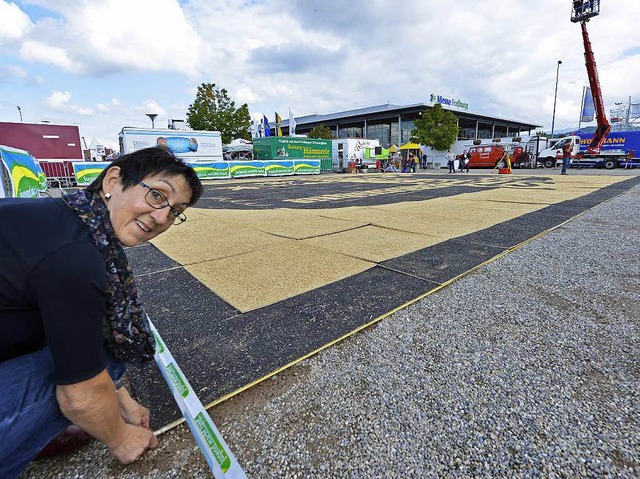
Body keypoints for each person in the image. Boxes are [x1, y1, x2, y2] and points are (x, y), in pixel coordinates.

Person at [0, 147, 203, 478]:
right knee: (107, 355)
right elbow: (79, 397)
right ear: (113, 179)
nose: (161, 218)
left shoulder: (62, 214)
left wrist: (119, 398)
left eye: (175, 211)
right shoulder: (76, 258)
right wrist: (120, 436)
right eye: (156, 195)